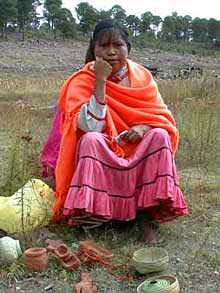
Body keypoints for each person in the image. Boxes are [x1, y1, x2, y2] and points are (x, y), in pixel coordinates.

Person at [40, 19, 188, 244]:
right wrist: (100, 79)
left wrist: (143, 127)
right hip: (104, 148)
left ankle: (144, 217)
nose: (111, 52)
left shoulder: (142, 77)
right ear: (93, 49)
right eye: (103, 45)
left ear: (128, 47)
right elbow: (91, 126)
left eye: (117, 45)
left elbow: (162, 117)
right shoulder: (82, 80)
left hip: (135, 146)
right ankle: (95, 217)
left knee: (160, 135)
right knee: (90, 139)